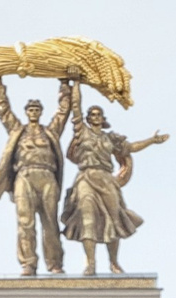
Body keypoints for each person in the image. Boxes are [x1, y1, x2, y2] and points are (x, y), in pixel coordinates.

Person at [0, 77, 76, 276]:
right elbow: (4, 112)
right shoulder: (18, 130)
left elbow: (62, 113)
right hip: (24, 176)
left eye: (36, 109)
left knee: (50, 221)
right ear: (26, 112)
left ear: (40, 112)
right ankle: (28, 263)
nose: (33, 112)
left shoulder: (49, 132)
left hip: (46, 175)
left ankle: (54, 263)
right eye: (30, 109)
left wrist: (65, 86)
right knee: (25, 222)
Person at [61, 102, 167, 274]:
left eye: (98, 114)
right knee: (87, 218)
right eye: (92, 114)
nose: (95, 117)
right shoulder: (82, 132)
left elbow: (130, 147)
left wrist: (152, 140)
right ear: (87, 119)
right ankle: (90, 263)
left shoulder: (110, 138)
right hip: (86, 178)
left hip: (106, 180)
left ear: (103, 119)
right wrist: (76, 81)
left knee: (114, 217)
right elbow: (75, 106)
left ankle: (113, 262)